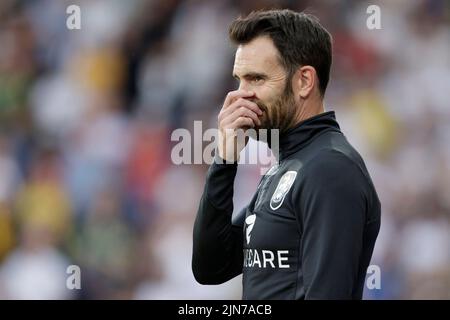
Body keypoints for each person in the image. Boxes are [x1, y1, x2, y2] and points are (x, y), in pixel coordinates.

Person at [192, 9, 380, 300]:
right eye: (239, 80)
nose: (240, 95)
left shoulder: (330, 169)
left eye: (256, 79)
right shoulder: (285, 168)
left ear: (304, 81)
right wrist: (225, 161)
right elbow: (210, 267)